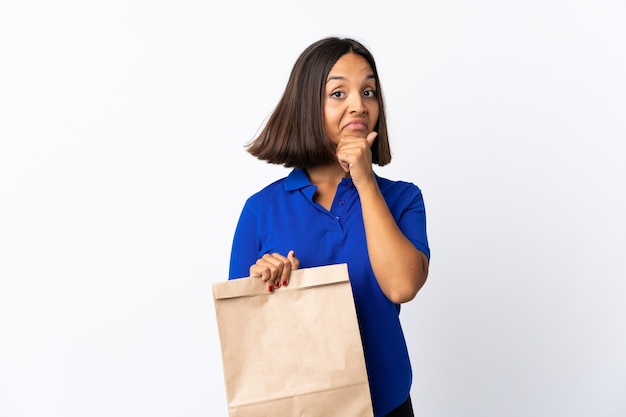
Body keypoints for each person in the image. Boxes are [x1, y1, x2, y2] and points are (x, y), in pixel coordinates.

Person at [228, 37, 430, 417]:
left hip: (387, 406)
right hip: (299, 408)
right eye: (338, 93)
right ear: (307, 106)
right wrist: (263, 282)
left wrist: (365, 180)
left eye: (368, 91)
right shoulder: (260, 211)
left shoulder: (404, 199)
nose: (359, 104)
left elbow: (402, 286)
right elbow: (246, 339)